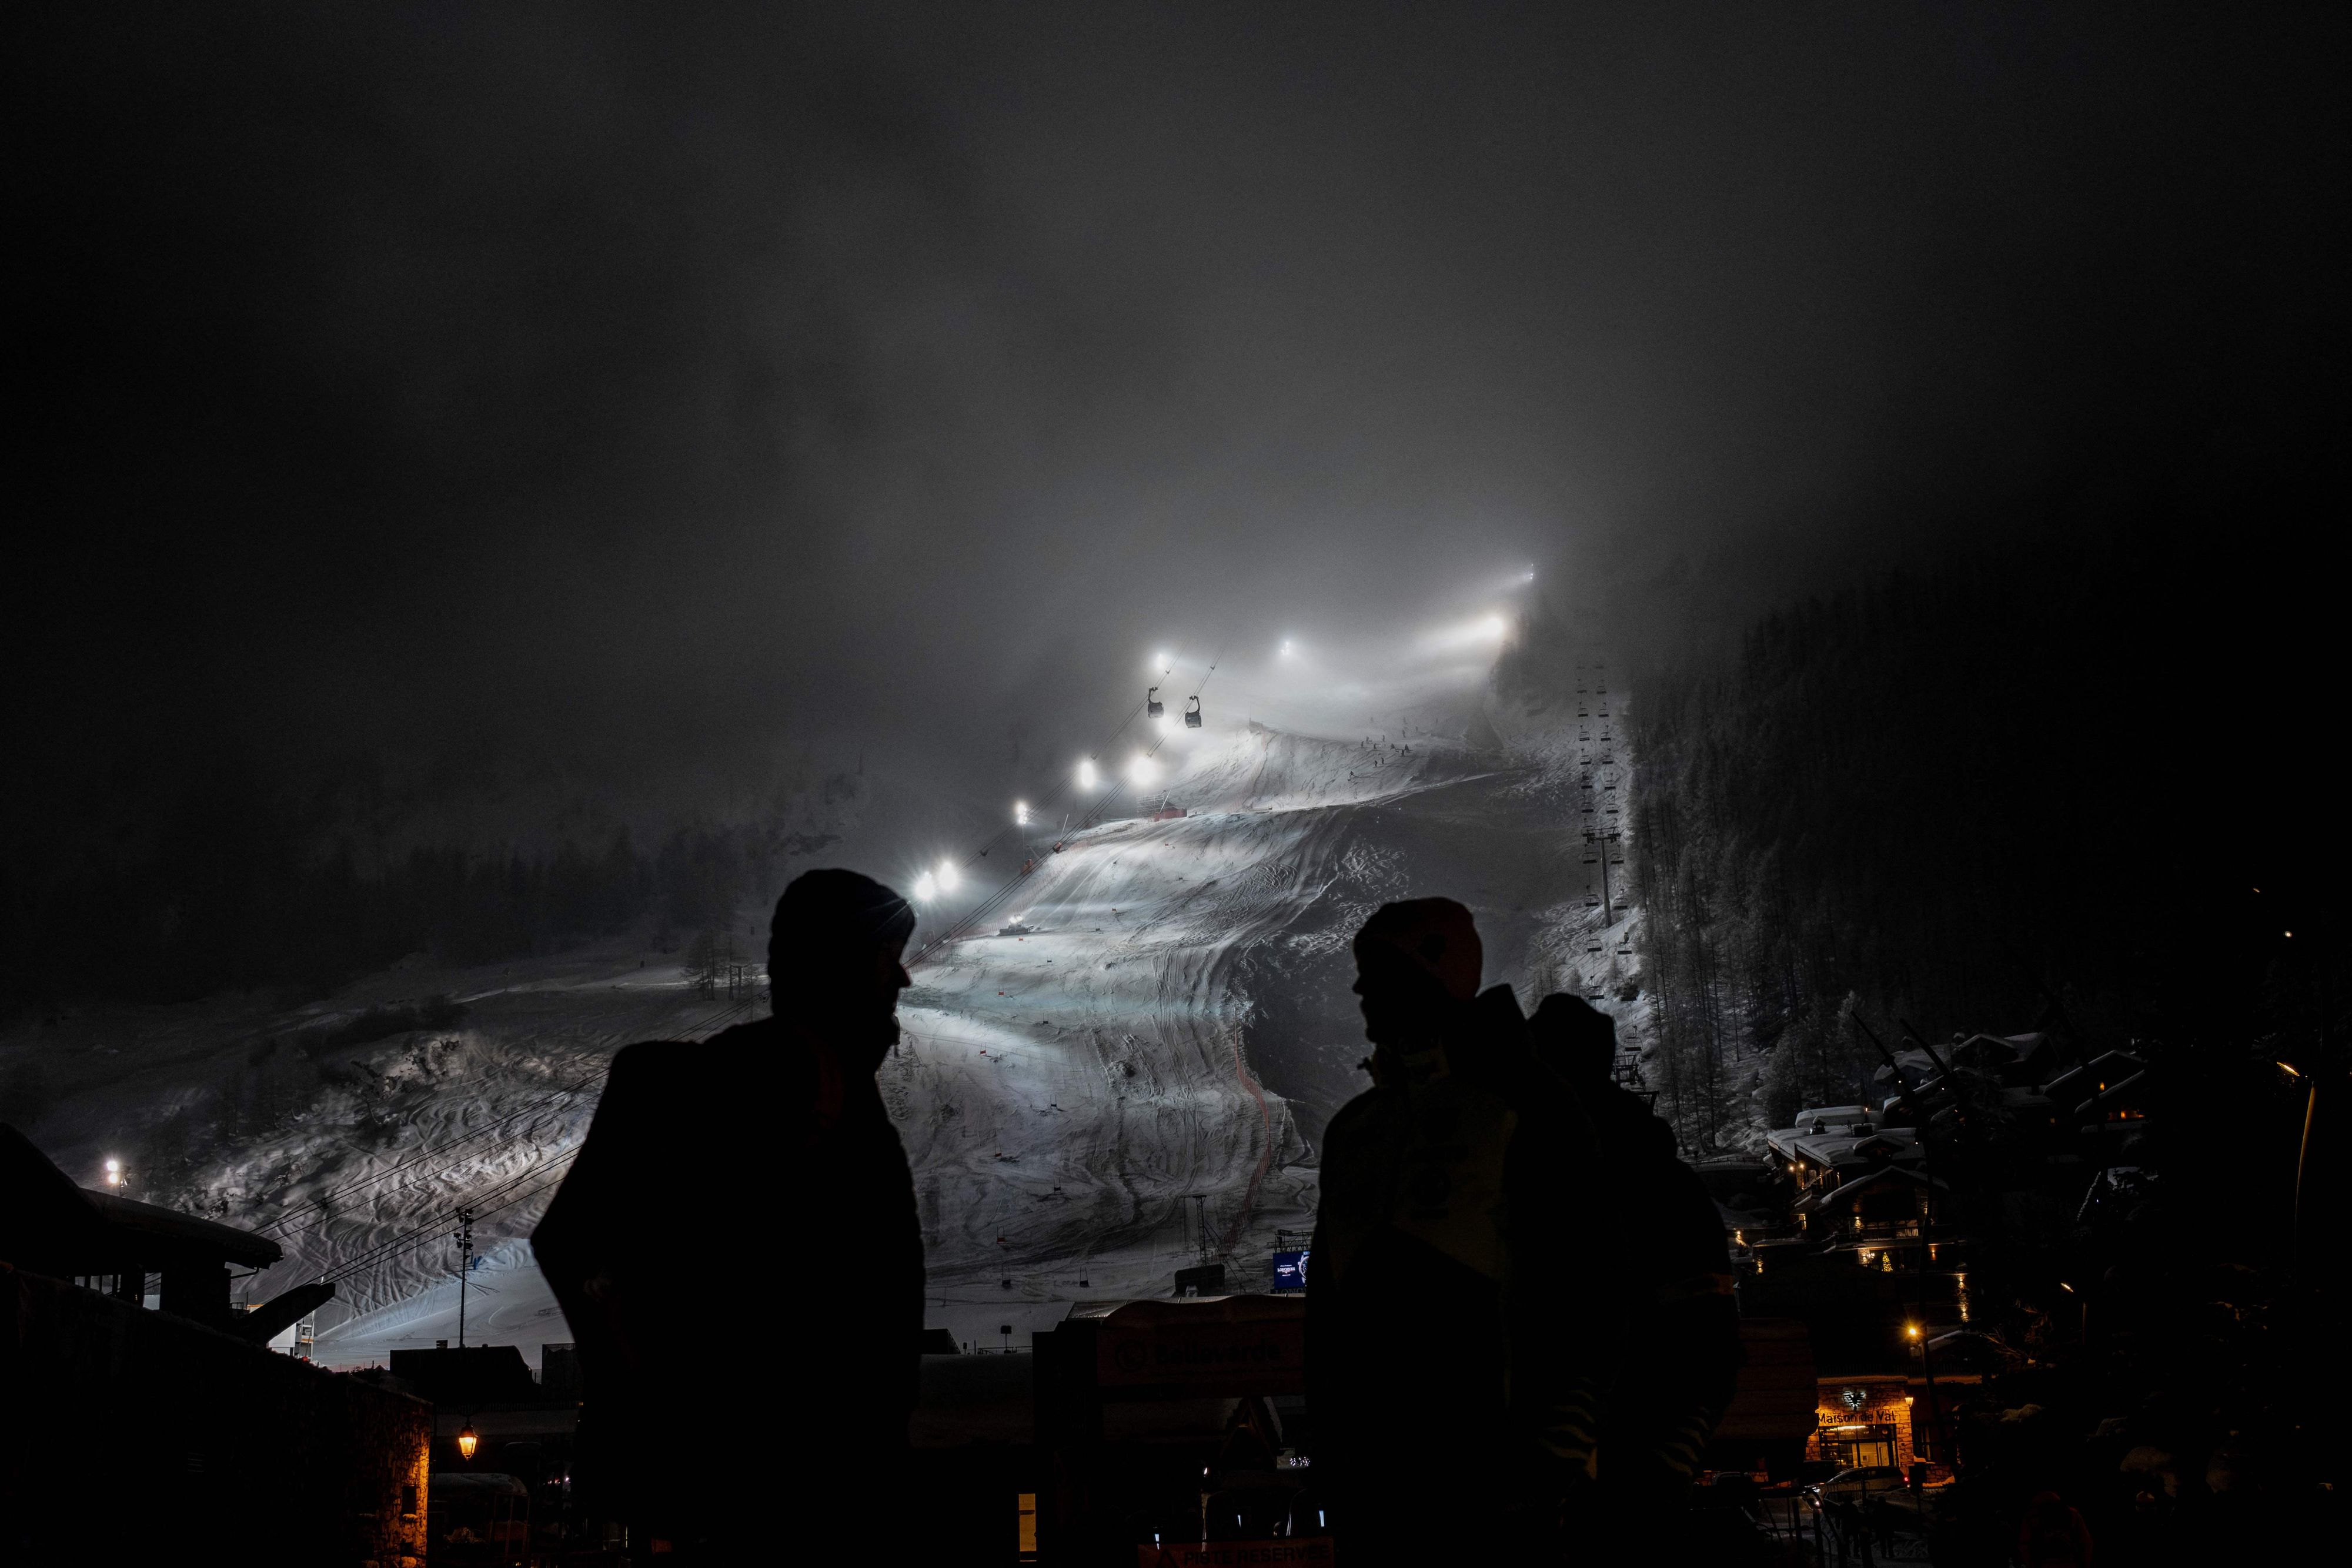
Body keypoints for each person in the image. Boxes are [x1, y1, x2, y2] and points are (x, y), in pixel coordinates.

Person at [533, 868, 921, 1556]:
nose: (903, 981)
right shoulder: (785, 1078)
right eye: (888, 959)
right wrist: (653, 1405)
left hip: (790, 1497)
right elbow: (569, 1239)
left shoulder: (825, 1084)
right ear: (841, 965)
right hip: (788, 1501)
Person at [1307, 899, 1603, 1564]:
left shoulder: (1525, 1105)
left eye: (1377, 971)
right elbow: (1326, 1316)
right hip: (1379, 1492)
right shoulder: (1354, 1132)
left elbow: (1587, 1280)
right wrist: (1331, 1455)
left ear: (1436, 973)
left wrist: (1554, 1451)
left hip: (1501, 1485)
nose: (1359, 991)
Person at [1526, 993, 1740, 1519]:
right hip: (1643, 1466)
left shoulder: (1525, 1178)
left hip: (1546, 1465)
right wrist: (1679, 1450)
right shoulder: (1670, 1184)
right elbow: (1715, 1327)